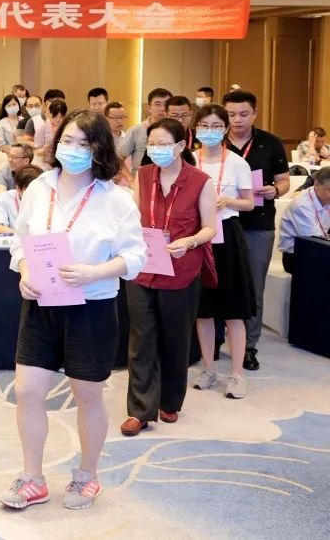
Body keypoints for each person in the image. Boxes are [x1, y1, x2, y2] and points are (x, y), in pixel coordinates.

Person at [1, 110, 146, 511]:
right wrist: (25, 272)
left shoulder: (115, 199)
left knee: (87, 395)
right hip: (41, 303)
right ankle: (33, 478)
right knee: (28, 391)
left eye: (84, 143)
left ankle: (87, 475)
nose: (74, 149)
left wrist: (94, 271)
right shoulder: (39, 187)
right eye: (67, 140)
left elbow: (135, 257)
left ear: (100, 148)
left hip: (91, 306)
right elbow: (20, 241)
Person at [122, 118, 218, 436]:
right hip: (144, 266)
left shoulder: (200, 181)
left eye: (163, 144)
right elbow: (136, 215)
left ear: (180, 146)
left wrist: (189, 241)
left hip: (181, 268)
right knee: (141, 338)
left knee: (175, 338)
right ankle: (140, 410)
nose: (156, 150)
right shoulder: (143, 174)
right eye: (152, 144)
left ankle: (170, 400)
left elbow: (210, 228)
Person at [190, 103, 255, 399]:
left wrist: (227, 201)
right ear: (196, 129)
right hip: (197, 235)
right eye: (205, 126)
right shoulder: (189, 160)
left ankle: (237, 374)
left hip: (227, 235)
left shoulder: (238, 163)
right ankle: (208, 368)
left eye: (217, 126)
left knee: (233, 310)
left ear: (225, 129)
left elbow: (250, 203)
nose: (211, 131)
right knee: (202, 310)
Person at [222, 89, 289, 372]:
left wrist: (276, 190)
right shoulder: (215, 141)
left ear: (255, 114)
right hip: (220, 223)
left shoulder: (270, 143)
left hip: (257, 225)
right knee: (218, 283)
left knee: (253, 286)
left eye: (243, 114)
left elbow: (284, 181)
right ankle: (214, 340)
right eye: (231, 114)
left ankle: (249, 345)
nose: (237, 120)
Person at [278, 167, 330, 273]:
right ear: (316, 183)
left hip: (320, 250)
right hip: (297, 256)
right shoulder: (302, 205)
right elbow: (315, 240)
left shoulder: (323, 198)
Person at [118, 87, 172, 174]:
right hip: (140, 180)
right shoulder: (136, 130)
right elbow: (119, 159)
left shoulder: (175, 131)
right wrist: (130, 179)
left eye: (166, 104)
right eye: (158, 104)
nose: (163, 108)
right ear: (149, 108)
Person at [0, 165, 42, 234]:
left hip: (39, 240)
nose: (34, 194)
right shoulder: (2, 199)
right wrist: (22, 236)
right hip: (14, 240)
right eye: (29, 190)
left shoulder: (45, 199)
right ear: (18, 188)